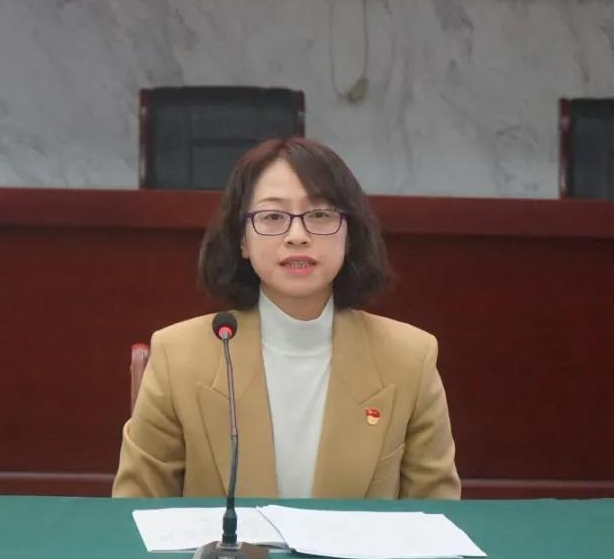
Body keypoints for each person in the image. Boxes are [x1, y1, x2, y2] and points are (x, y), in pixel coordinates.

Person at [112, 137, 460, 500]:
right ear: (242, 240)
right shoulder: (178, 356)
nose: (297, 236)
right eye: (273, 217)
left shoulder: (409, 359)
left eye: (320, 215)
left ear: (350, 235)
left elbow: (438, 515)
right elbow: (134, 511)